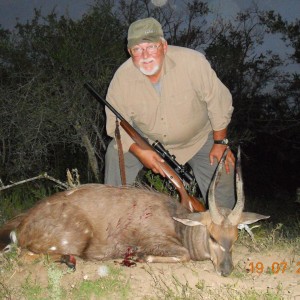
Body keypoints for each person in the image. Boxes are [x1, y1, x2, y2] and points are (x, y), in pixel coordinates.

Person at [104, 17, 236, 209]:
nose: (145, 55)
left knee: (223, 163)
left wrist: (220, 142)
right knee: (115, 153)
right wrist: (140, 152)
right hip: (149, 143)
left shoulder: (193, 62)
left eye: (151, 47)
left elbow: (220, 101)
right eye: (137, 49)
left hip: (198, 141)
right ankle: (113, 218)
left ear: (164, 46)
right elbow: (114, 125)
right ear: (129, 52)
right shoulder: (122, 78)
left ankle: (224, 225)